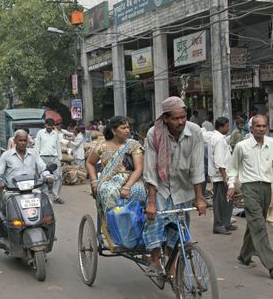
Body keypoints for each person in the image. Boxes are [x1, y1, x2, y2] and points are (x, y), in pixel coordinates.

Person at [143, 96, 206, 275]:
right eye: (175, 118)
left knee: (179, 227)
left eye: (183, 117)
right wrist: (151, 202)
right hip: (161, 186)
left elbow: (197, 166)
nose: (180, 121)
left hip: (184, 187)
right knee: (154, 220)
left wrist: (200, 198)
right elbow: (150, 170)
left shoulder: (195, 132)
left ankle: (172, 263)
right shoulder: (153, 134)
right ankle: (155, 260)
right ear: (165, 118)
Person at [226, 115, 273, 279]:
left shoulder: (272, 145)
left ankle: (244, 255)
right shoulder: (242, 146)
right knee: (259, 225)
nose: (261, 129)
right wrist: (231, 186)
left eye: (264, 126)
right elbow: (233, 168)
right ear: (251, 129)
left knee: (255, 223)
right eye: (258, 126)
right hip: (249, 188)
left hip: (267, 188)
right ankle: (272, 265)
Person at [85, 115, 146, 225]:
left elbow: (139, 169)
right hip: (108, 180)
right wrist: (94, 181)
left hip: (131, 179)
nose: (127, 130)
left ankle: (135, 224)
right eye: (123, 128)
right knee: (108, 192)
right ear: (113, 130)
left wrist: (127, 187)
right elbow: (89, 163)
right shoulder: (102, 146)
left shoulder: (133, 145)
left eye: (128, 127)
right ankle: (114, 225)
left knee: (138, 191)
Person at [0, 130, 54, 206]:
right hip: (12, 192)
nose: (23, 143)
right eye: (20, 140)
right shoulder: (6, 155)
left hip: (32, 189)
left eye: (25, 140)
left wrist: (48, 176)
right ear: (15, 141)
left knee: (47, 205)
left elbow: (43, 168)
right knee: (9, 207)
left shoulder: (34, 154)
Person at [209, 117, 236, 235]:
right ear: (221, 127)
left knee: (228, 200)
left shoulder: (219, 138)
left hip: (223, 174)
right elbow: (219, 160)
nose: (228, 128)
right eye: (226, 126)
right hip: (221, 176)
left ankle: (226, 222)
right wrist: (225, 177)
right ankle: (219, 225)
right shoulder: (218, 139)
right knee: (221, 201)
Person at [35, 118, 64, 204]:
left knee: (58, 176)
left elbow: (58, 146)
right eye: (48, 126)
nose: (49, 128)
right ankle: (45, 196)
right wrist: (37, 158)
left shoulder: (55, 134)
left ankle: (56, 196)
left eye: (51, 127)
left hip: (54, 157)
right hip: (42, 157)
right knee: (43, 177)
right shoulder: (40, 133)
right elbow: (37, 146)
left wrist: (60, 158)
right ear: (45, 125)